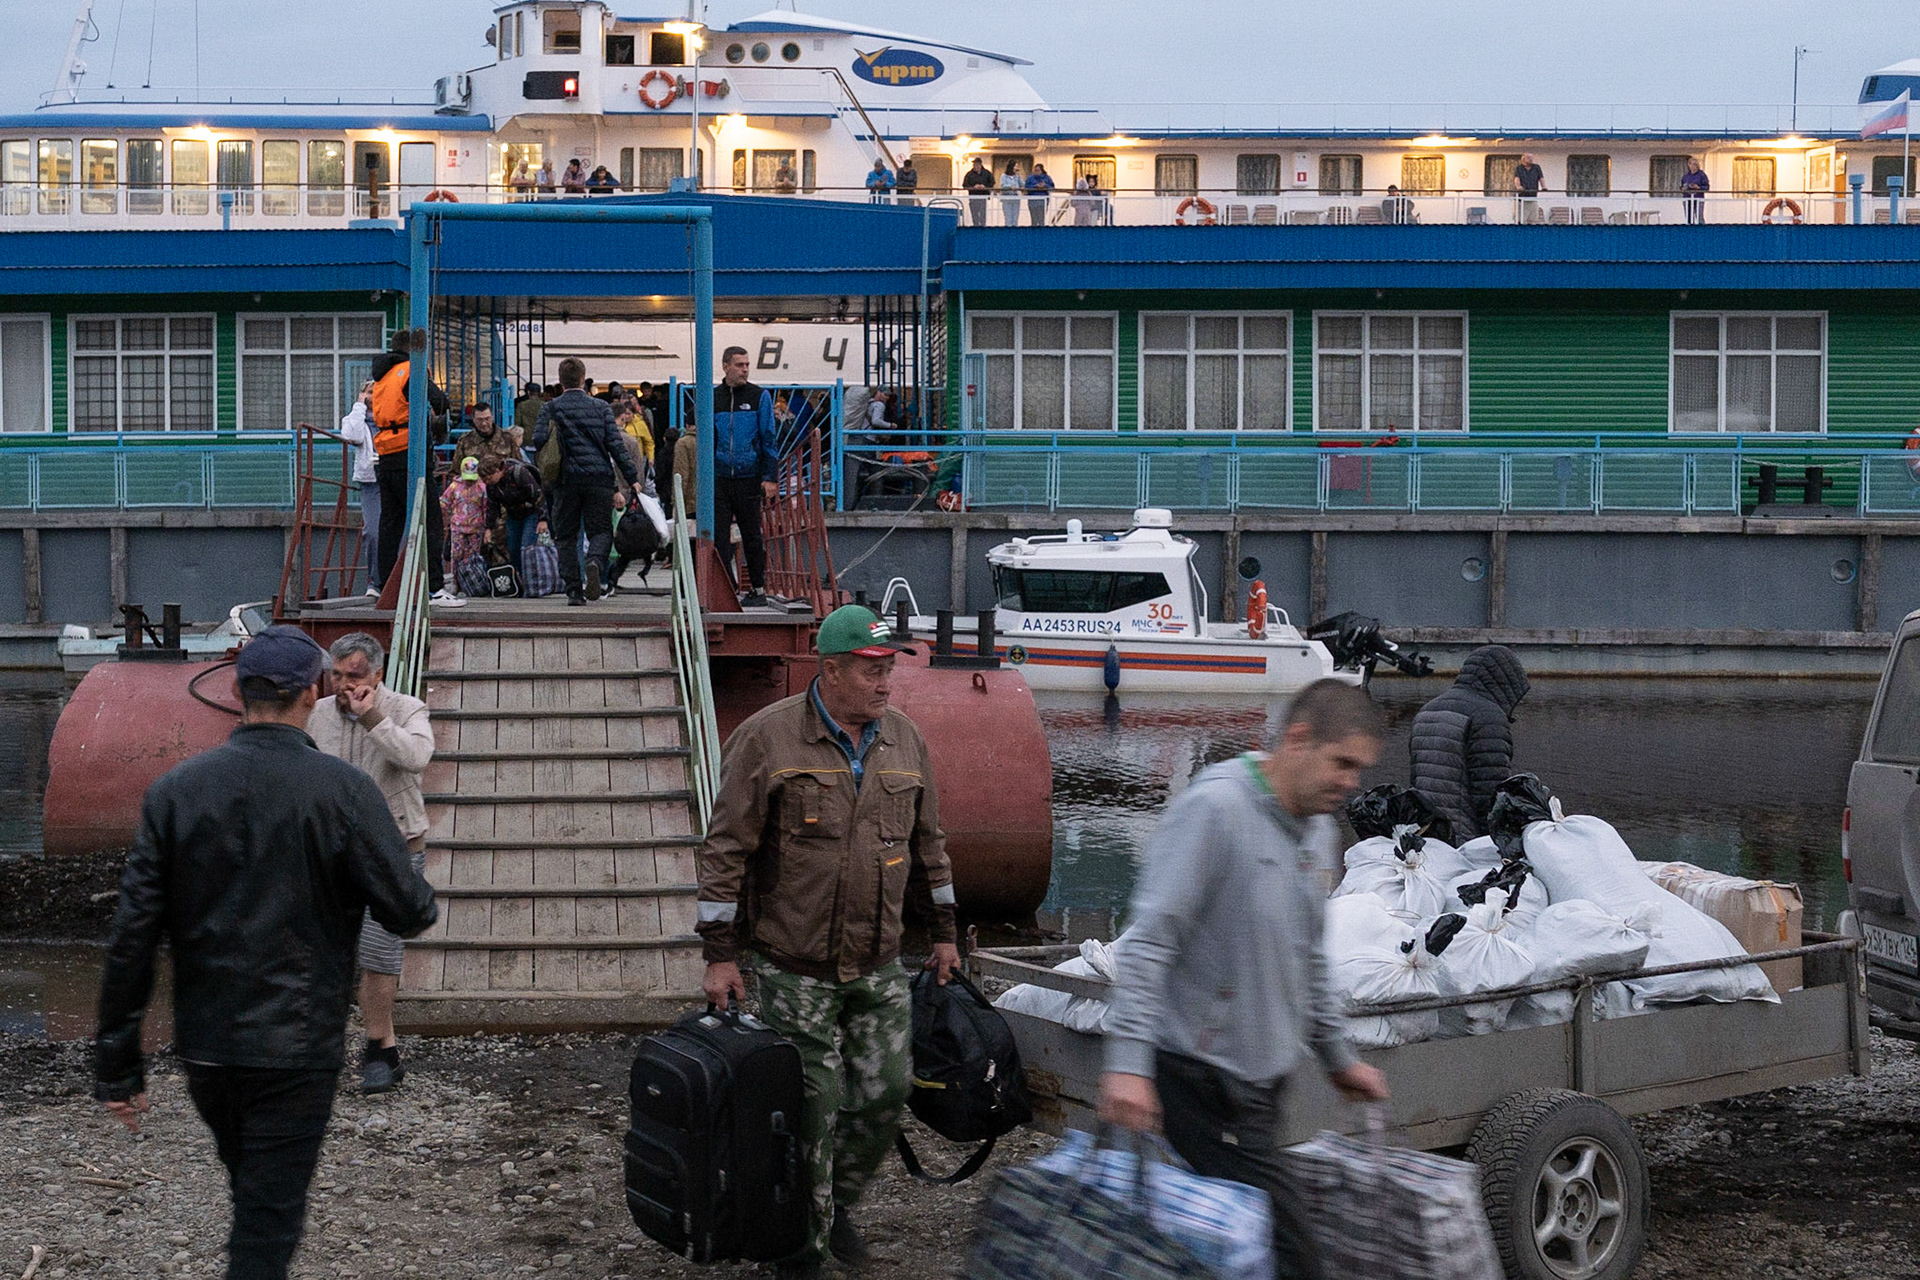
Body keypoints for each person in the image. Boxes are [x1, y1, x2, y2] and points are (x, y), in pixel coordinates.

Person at [94, 625, 437, 1280]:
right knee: (266, 1223)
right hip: (297, 1047)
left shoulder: (175, 791)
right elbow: (410, 911)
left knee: (254, 1193)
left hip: (207, 1045)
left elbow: (133, 931)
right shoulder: (342, 791)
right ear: (314, 692)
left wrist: (117, 1062)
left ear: (236, 689)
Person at [696, 605, 959, 1280]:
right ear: (832, 669)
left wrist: (946, 936)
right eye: (872, 669)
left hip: (877, 963)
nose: (885, 682)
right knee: (809, 1111)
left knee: (886, 1092)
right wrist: (721, 955)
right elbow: (726, 849)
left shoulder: (906, 741)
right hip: (794, 967)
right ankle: (800, 1253)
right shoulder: (767, 739)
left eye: (890, 668)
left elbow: (929, 845)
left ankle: (834, 1203)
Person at [1100, 679, 1392, 1280]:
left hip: (1261, 1088)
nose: (1350, 783)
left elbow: (1309, 956)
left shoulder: (1317, 830)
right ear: (1297, 738)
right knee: (1292, 1255)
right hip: (1198, 1083)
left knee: (1211, 1251)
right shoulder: (1215, 810)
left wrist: (1339, 1058)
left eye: (1359, 771)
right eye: (1342, 763)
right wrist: (1126, 1065)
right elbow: (1150, 942)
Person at [307, 631, 436, 1093]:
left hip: (394, 848)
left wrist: (373, 718)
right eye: (336, 675)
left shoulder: (406, 708)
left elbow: (417, 757)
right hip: (330, 851)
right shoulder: (316, 714)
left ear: (376, 675)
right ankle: (324, 1045)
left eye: (354, 675)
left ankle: (380, 1048)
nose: (343, 685)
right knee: (326, 950)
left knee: (381, 954)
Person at [532, 356, 638, 605]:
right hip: (598, 478)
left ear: (560, 381)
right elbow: (615, 445)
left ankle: (573, 592)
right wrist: (632, 477)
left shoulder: (551, 408)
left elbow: (537, 440)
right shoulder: (601, 408)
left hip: (565, 480)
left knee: (566, 536)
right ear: (583, 379)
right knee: (601, 530)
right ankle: (594, 563)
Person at [368, 331, 459, 606]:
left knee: (390, 522)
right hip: (411, 451)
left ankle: (382, 585)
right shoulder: (412, 370)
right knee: (431, 518)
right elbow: (440, 401)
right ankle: (433, 588)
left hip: (385, 452)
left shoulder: (382, 377)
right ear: (416, 349)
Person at [1408, 644, 1531, 842]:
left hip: (1428, 837)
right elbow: (1491, 793)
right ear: (1507, 682)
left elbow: (1415, 782)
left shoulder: (1428, 709)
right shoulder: (1488, 716)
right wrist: (1498, 842)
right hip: (1466, 841)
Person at [709, 345, 781, 607]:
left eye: (747, 365)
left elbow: (769, 437)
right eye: (740, 365)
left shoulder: (759, 396)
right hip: (719, 476)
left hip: (748, 475)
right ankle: (726, 586)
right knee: (718, 536)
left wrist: (770, 476)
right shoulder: (712, 397)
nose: (745, 369)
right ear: (725, 366)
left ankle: (758, 589)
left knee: (752, 533)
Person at [337, 381, 380, 596]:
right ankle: (374, 582)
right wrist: (359, 406)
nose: (373, 396)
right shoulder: (355, 419)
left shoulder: (392, 417)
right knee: (373, 531)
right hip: (371, 481)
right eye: (369, 392)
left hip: (393, 477)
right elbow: (352, 436)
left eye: (376, 392)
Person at [487, 452, 545, 570]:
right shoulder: (491, 485)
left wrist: (543, 519)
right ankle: (518, 580)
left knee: (527, 548)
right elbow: (492, 506)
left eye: (489, 477)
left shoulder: (520, 473)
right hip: (512, 515)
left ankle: (531, 579)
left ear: (499, 470)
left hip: (530, 513)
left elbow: (538, 495)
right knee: (513, 549)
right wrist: (489, 528)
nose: (486, 481)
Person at [441, 456, 490, 578]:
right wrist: (444, 518)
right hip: (458, 526)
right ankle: (455, 581)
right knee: (456, 555)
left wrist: (487, 526)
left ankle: (470, 582)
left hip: (476, 527)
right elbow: (444, 502)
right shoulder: (454, 486)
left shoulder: (481, 487)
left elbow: (486, 507)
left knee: (472, 557)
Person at [453, 402, 518, 469]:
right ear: (473, 419)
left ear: (492, 417)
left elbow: (519, 466)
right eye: (479, 420)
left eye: (487, 419)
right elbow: (455, 470)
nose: (484, 423)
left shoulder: (507, 437)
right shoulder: (465, 440)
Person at [962, 156, 993, 227]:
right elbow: (965, 184)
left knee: (982, 214)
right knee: (974, 214)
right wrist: (973, 187)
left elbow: (992, 182)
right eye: (974, 165)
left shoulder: (987, 173)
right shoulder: (969, 174)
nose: (975, 166)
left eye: (977, 165)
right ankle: (975, 226)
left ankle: (982, 227)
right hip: (973, 197)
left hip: (983, 197)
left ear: (980, 165)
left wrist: (985, 187)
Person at [1513, 152, 1544, 222]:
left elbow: (1541, 178)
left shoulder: (1536, 167)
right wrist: (1518, 187)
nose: (1531, 159)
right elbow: (1517, 179)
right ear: (1523, 159)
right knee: (1520, 219)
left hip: (1532, 197)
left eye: (1532, 158)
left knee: (1534, 219)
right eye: (1529, 158)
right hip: (1521, 199)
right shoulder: (1519, 168)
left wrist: (1544, 187)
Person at [1681, 157, 1710, 225]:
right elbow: (1681, 186)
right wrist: (1684, 188)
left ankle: (1702, 231)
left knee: (1699, 216)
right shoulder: (1686, 176)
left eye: (1694, 164)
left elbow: (1707, 187)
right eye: (1691, 164)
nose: (1693, 166)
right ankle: (1690, 231)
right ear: (1689, 165)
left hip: (1698, 198)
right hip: (1687, 198)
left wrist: (1698, 187)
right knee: (1689, 217)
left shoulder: (1702, 175)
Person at [998, 160, 1023, 226]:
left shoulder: (1017, 176)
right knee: (1008, 218)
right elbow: (1002, 185)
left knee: (1015, 218)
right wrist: (1010, 187)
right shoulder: (1004, 176)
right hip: (1007, 198)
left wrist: (1019, 176)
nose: (1017, 168)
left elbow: (1022, 184)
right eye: (1016, 166)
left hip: (1016, 198)